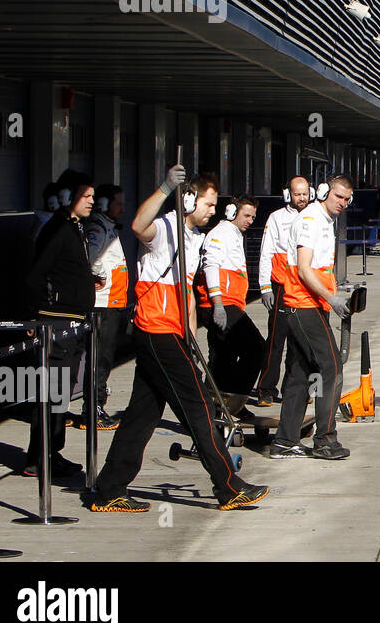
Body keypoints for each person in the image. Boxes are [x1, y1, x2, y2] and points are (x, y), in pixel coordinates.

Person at [92, 165, 268, 512]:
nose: (214, 211)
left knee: (142, 416)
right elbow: (138, 226)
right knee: (199, 408)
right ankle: (228, 486)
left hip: (171, 332)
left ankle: (108, 489)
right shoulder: (167, 228)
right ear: (188, 200)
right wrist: (162, 188)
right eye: (209, 204)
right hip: (155, 330)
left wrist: (190, 331)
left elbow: (186, 289)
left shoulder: (194, 237)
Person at [268, 174, 356, 460]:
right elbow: (304, 270)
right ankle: (325, 439)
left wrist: (333, 291)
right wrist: (332, 298)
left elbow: (318, 269)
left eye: (347, 199)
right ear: (323, 193)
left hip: (305, 306)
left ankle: (284, 441)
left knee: (299, 374)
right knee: (331, 368)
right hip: (303, 307)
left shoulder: (324, 221)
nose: (342, 203)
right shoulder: (311, 221)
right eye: (338, 196)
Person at [24, 172, 96, 480]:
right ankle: (39, 457)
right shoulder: (57, 229)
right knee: (51, 393)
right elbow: (36, 275)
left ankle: (51, 453)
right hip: (58, 323)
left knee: (60, 395)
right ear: (70, 198)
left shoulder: (74, 228)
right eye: (87, 196)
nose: (93, 202)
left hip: (73, 321)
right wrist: (39, 312)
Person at [200, 195, 263, 396]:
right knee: (256, 348)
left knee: (223, 356)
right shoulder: (221, 234)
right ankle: (234, 399)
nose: (250, 221)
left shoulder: (234, 234)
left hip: (230, 304)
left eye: (253, 217)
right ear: (231, 213)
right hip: (223, 304)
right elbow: (210, 265)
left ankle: (216, 402)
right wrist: (218, 304)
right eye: (246, 215)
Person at [255, 176, 310, 406]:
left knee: (301, 342)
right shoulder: (276, 218)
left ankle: (294, 388)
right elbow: (266, 252)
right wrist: (265, 286)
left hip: (305, 287)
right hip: (281, 287)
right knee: (276, 341)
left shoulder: (314, 217)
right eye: (298, 194)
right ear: (289, 194)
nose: (302, 198)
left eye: (305, 193)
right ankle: (266, 389)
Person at [82, 183, 130, 430]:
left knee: (105, 358)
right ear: (104, 205)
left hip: (112, 303)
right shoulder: (98, 228)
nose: (122, 208)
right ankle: (93, 410)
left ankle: (95, 406)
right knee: (100, 360)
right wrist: (99, 275)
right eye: (118, 203)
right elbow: (92, 257)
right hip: (102, 306)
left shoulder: (108, 227)